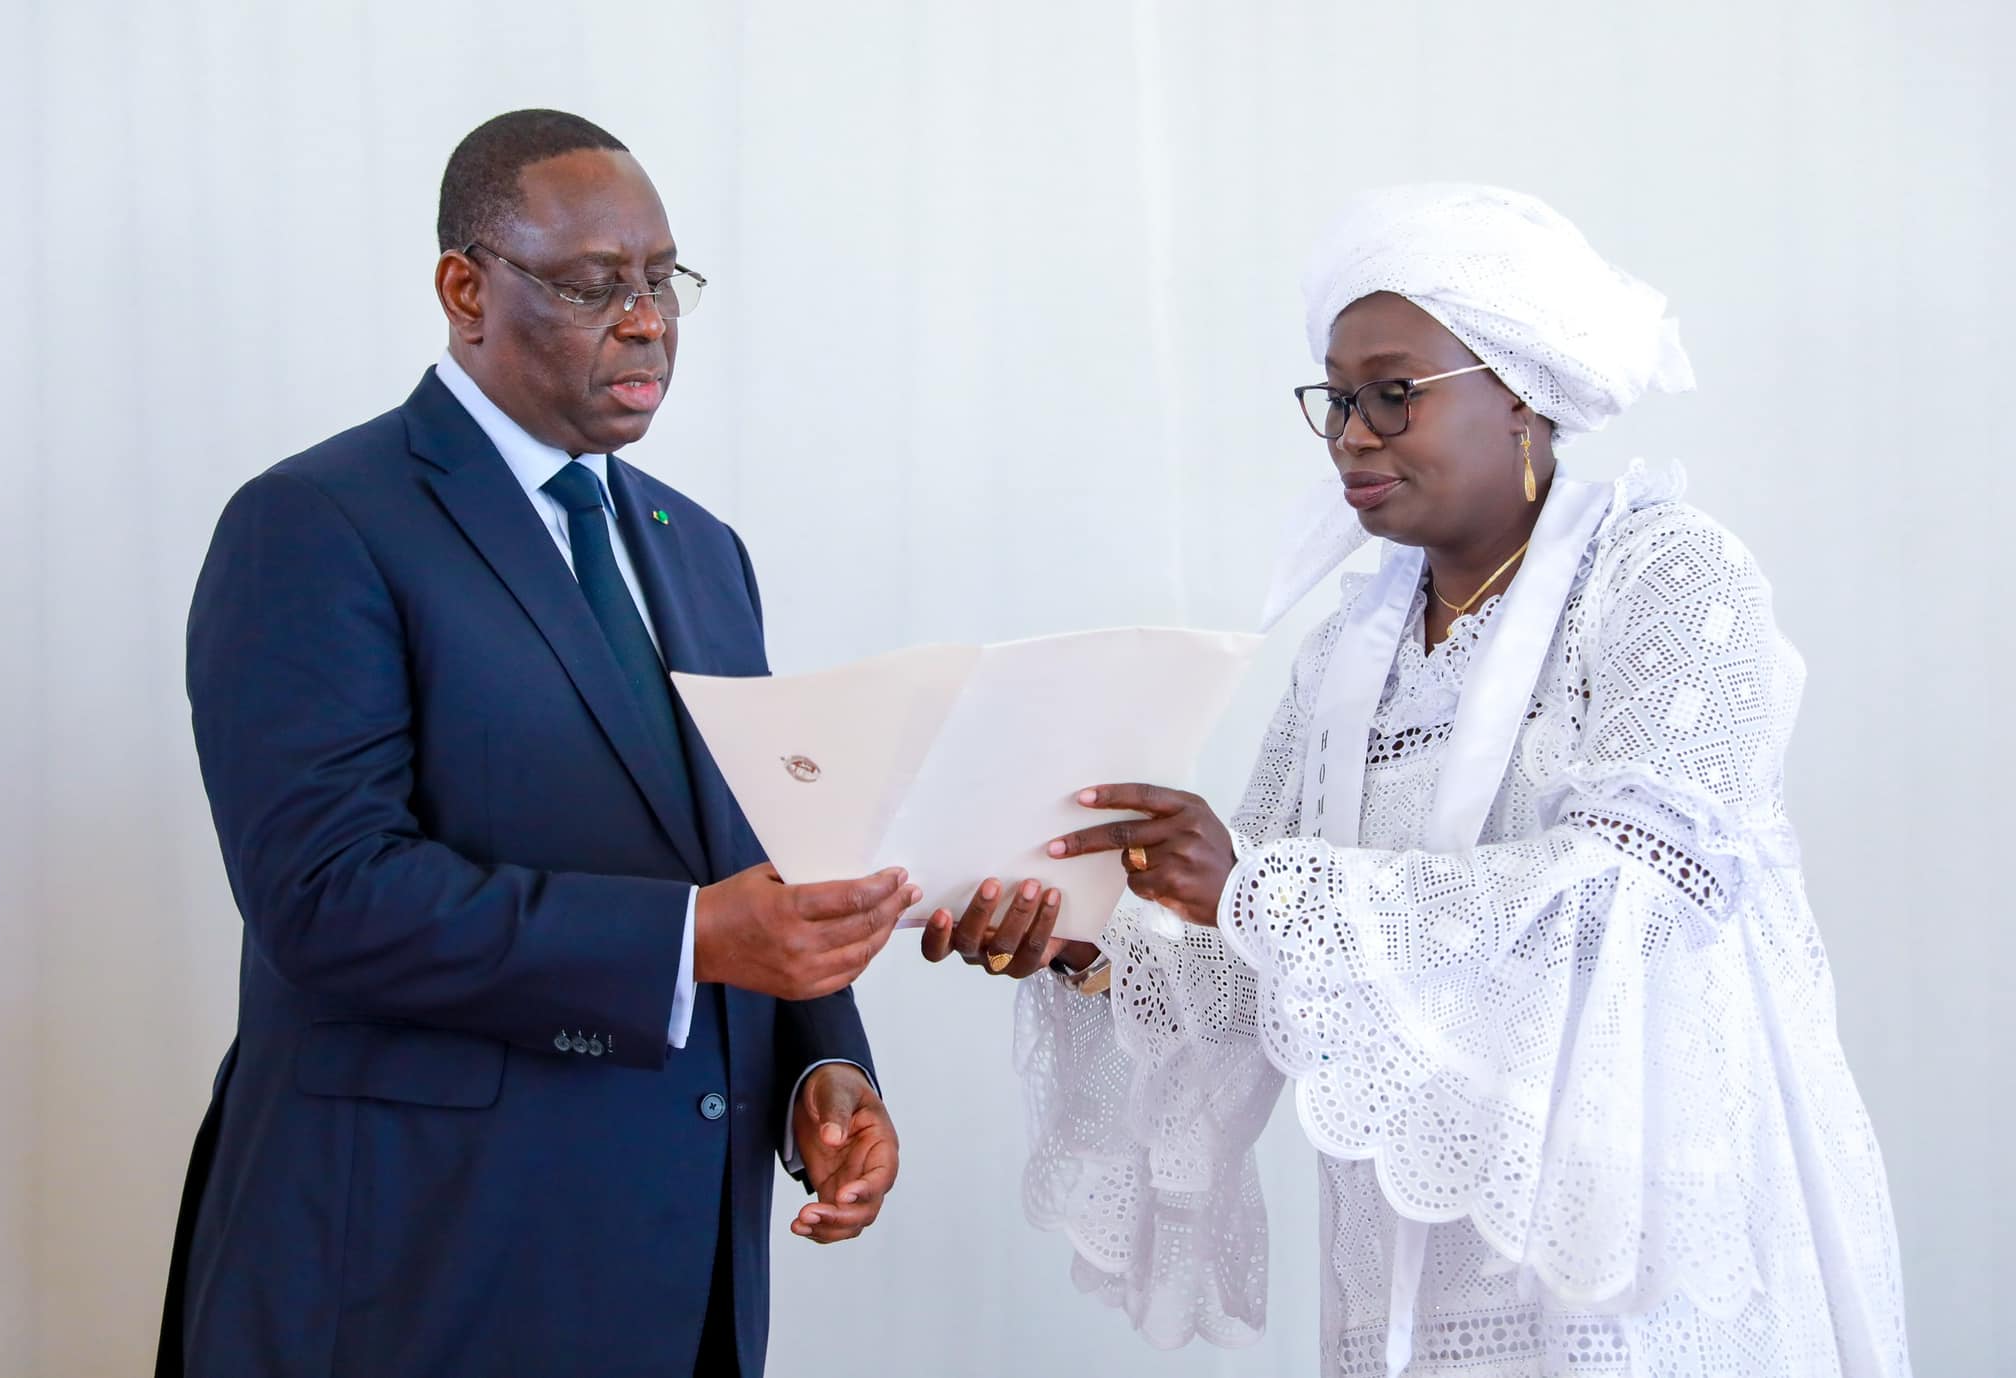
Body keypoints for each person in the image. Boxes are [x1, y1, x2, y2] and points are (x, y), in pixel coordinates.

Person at [924, 185, 1911, 1376]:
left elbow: (1644, 897)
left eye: (1392, 393)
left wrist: (1259, 883)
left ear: (1521, 391)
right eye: (1336, 399)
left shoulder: (1664, 575)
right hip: (1418, 1260)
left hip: (1636, 1246)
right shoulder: (1351, 649)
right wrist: (1087, 944)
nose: (1350, 432)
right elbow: (1268, 975)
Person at [158, 109, 919, 1378]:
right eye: (592, 285)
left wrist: (821, 1069)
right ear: (466, 288)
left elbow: (753, 859)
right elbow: (324, 895)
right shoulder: (314, 523)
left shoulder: (702, 548)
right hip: (418, 1271)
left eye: (662, 279)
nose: (648, 319)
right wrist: (690, 937)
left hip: (679, 1273)